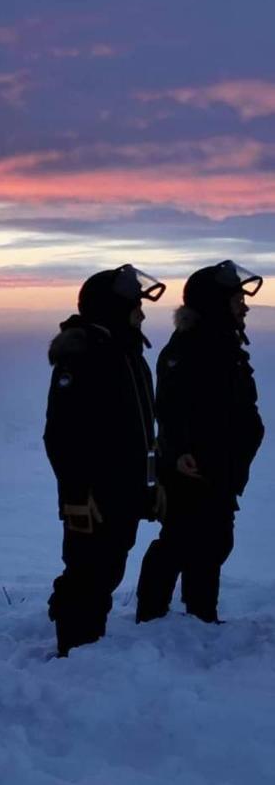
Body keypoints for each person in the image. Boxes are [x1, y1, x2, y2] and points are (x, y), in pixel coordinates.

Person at [44, 265, 166, 656]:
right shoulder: (83, 357)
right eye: (135, 306)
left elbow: (140, 430)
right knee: (87, 574)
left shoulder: (126, 353)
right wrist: (77, 495)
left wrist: (153, 482)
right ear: (113, 308)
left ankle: (86, 647)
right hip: (95, 497)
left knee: (107, 570)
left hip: (124, 491)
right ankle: (73, 651)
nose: (141, 314)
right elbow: (62, 435)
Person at [136, 261, 265, 624]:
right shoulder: (190, 348)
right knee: (177, 542)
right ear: (215, 303)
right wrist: (178, 454)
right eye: (238, 298)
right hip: (193, 469)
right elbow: (171, 408)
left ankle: (201, 615)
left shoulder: (223, 346)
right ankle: (151, 617)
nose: (245, 305)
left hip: (220, 468)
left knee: (212, 543)